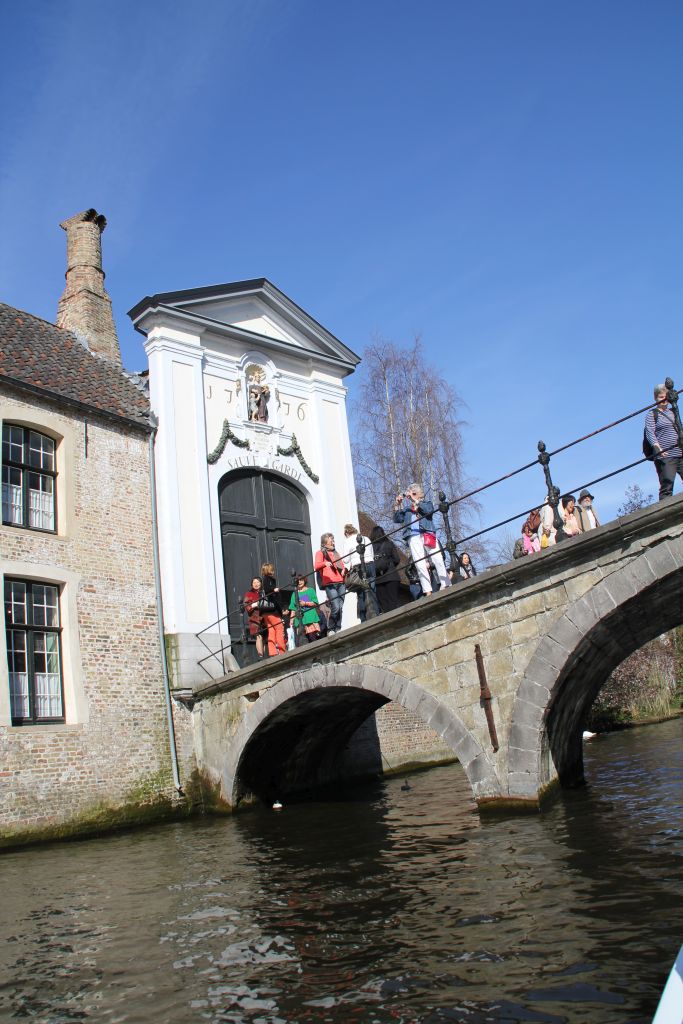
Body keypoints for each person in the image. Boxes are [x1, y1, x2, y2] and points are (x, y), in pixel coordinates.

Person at [393, 484, 450, 596]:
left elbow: (429, 511)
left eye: (414, 493)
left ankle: (446, 583)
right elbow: (397, 519)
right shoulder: (407, 509)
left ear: (419, 494)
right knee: (419, 563)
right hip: (413, 536)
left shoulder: (426, 503)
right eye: (410, 493)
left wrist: (416, 501)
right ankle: (427, 590)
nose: (411, 495)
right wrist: (397, 505)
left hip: (427, 532)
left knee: (437, 557)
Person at [644, 384, 683, 500]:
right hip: (665, 455)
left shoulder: (673, 412)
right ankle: (666, 509)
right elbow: (650, 432)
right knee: (667, 485)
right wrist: (658, 448)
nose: (664, 400)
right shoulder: (652, 414)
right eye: (661, 397)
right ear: (655, 398)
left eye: (666, 397)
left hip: (680, 452)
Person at [342, 524, 379, 622]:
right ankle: (375, 614)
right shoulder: (366, 538)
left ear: (346, 533)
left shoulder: (347, 541)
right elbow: (372, 554)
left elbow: (346, 560)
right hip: (370, 564)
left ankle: (364, 619)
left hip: (358, 567)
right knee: (372, 589)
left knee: (361, 593)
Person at [314, 533, 346, 634]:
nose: (333, 540)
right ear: (325, 541)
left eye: (333, 538)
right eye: (330, 538)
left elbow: (342, 565)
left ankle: (338, 627)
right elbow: (316, 566)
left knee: (340, 606)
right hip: (330, 583)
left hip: (341, 582)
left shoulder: (336, 552)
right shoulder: (320, 552)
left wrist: (344, 570)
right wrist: (325, 563)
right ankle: (331, 628)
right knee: (335, 606)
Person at [370, 525, 402, 612]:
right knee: (393, 602)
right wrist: (389, 564)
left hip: (378, 578)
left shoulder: (370, 547)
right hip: (391, 575)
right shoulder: (389, 543)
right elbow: (397, 559)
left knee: (383, 604)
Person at [259, 562, 287, 656]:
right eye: (272, 569)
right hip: (272, 610)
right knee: (279, 628)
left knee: (271, 630)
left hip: (266, 612)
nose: (273, 571)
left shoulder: (265, 580)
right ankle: (282, 651)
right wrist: (274, 590)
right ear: (268, 570)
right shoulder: (268, 579)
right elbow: (268, 590)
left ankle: (272, 652)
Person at [289, 575, 321, 643]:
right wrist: (291, 620)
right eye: (298, 581)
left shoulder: (310, 590)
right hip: (299, 620)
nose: (299, 582)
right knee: (303, 641)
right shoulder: (294, 594)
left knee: (313, 638)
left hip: (310, 618)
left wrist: (305, 603)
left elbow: (315, 603)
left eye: (301, 580)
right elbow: (293, 609)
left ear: (304, 581)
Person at [242, 576, 266, 659]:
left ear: (261, 583)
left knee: (264, 638)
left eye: (258, 582)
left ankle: (263, 656)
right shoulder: (249, 594)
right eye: (254, 582)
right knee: (258, 636)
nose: (256, 584)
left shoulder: (264, 592)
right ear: (252, 584)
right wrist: (255, 604)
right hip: (254, 618)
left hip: (264, 617)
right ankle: (260, 655)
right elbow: (246, 605)